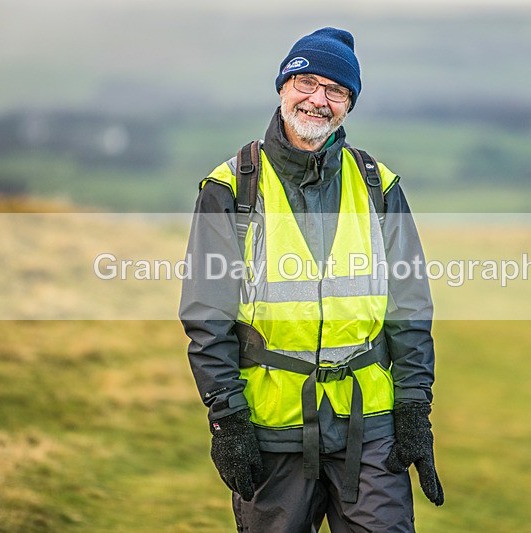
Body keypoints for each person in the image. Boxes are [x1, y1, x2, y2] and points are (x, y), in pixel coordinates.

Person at [179, 27, 443, 532]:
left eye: (336, 90)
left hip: (370, 434)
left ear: (349, 104)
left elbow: (409, 309)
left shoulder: (378, 185)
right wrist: (227, 420)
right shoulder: (231, 189)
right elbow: (206, 318)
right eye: (306, 82)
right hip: (270, 430)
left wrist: (415, 408)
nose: (318, 100)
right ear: (282, 87)